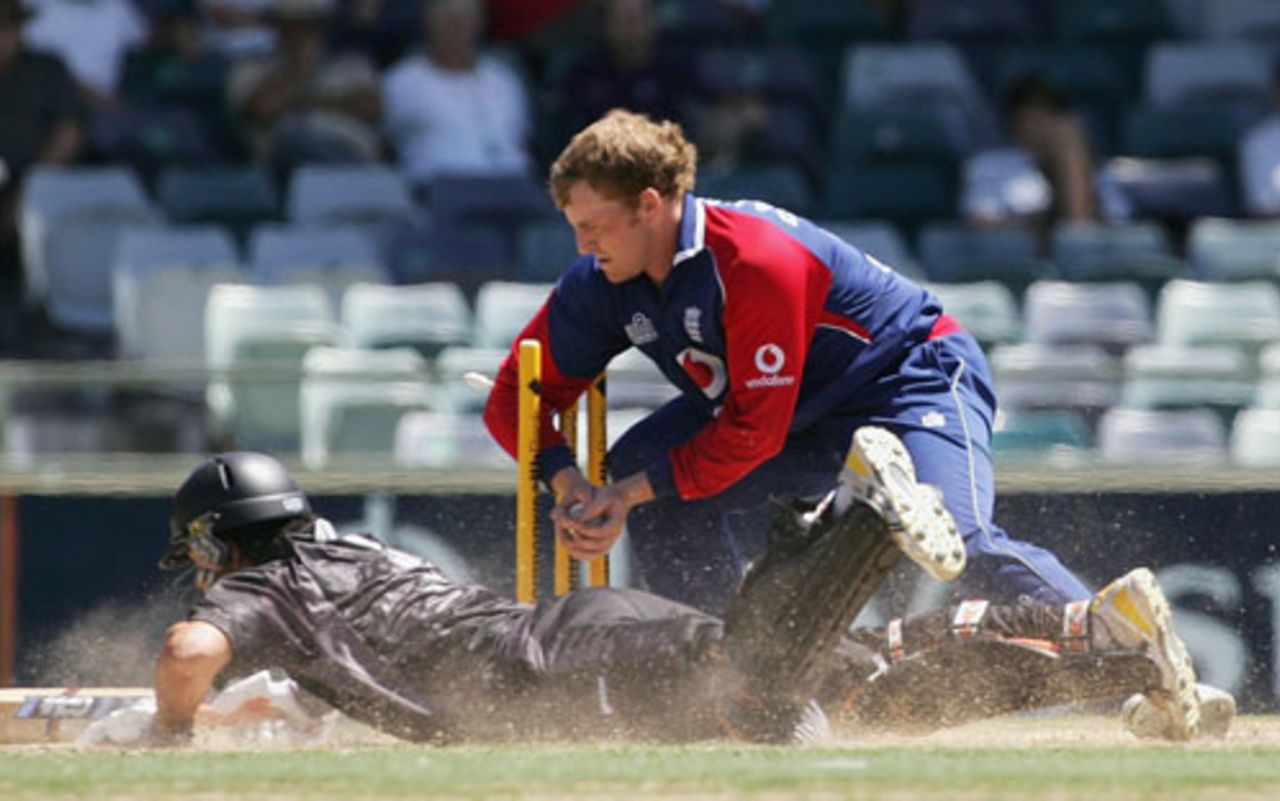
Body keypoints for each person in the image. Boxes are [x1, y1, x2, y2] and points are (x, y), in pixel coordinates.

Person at [108, 450, 1214, 748]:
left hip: (547, 670)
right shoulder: (342, 558)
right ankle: (1109, 649)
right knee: (860, 687)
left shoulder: (272, 583)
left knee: (753, 682)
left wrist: (167, 729)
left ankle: (853, 525)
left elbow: (188, 644)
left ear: (217, 540)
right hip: (576, 631)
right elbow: (336, 681)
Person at [481, 109, 1088, 617]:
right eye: (575, 229)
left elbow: (751, 432)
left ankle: (1125, 641)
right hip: (793, 416)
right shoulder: (599, 281)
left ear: (648, 205)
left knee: (955, 539)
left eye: (594, 227)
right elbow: (513, 398)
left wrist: (626, 493)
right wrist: (573, 485)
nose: (583, 247)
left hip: (906, 381)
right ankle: (722, 684)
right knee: (647, 470)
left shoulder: (755, 260)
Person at [0, 0, 86, 354]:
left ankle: (31, 338)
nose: (5, 33)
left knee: (31, 226)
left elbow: (70, 130)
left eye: (11, 24)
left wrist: (32, 190)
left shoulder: (45, 69)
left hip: (40, 190)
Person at [381, 0, 533, 189]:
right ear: (430, 23)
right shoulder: (403, 80)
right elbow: (382, 142)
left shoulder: (504, 79)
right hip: (440, 190)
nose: (458, 28)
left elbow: (522, 139)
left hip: (513, 186)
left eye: (465, 19)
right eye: (449, 20)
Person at [226, 0, 382, 178]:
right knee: (293, 140)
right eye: (291, 27)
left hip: (351, 151)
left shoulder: (350, 65)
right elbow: (264, 108)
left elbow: (371, 108)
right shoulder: (249, 68)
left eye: (309, 27)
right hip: (287, 171)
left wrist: (303, 99)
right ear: (277, 29)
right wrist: (297, 67)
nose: (299, 36)